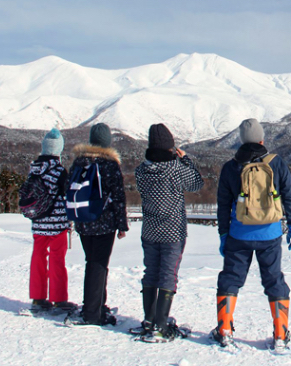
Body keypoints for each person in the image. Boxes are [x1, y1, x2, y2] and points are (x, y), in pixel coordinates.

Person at [211, 119, 291, 351]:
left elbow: (223, 204)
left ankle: (224, 330)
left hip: (238, 234)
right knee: (274, 281)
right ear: (262, 140)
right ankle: (280, 334)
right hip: (269, 234)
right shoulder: (276, 163)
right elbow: (289, 196)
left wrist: (223, 234)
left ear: (241, 140)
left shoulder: (231, 167)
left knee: (230, 279)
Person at [130, 123, 204, 342]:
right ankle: (160, 326)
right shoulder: (175, 168)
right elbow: (196, 184)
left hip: (149, 230)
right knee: (168, 274)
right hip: (173, 231)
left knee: (151, 272)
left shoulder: (141, 170)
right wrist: (185, 159)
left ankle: (149, 319)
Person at [65, 123, 129, 326]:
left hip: (83, 219)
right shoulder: (110, 164)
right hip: (104, 221)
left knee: (91, 261)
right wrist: (122, 225)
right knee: (99, 264)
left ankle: (95, 304)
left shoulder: (78, 162)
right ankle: (93, 312)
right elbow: (119, 196)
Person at [28, 128, 76, 313]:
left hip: (38, 221)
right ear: (59, 150)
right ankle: (58, 298)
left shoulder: (34, 170)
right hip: (56, 223)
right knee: (57, 259)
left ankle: (38, 298)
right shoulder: (58, 171)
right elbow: (67, 194)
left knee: (38, 257)